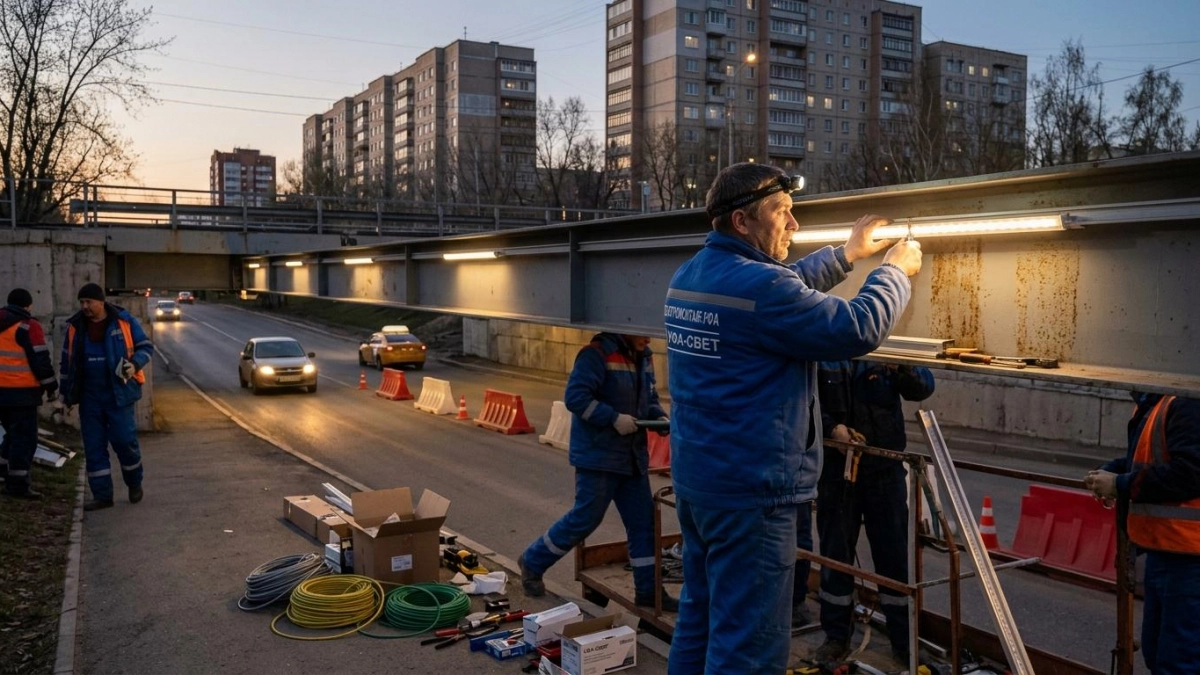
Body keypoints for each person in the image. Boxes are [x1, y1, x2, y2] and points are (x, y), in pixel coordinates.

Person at [663, 162, 923, 675]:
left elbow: (774, 292)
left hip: (702, 486)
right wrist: (893, 271)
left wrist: (846, 256)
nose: (795, 225)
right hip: (753, 495)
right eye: (782, 213)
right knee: (750, 648)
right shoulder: (759, 288)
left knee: (702, 618)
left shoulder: (693, 274)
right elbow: (856, 328)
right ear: (742, 221)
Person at [517, 332, 679, 612]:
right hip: (599, 456)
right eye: (642, 334)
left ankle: (649, 592)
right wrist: (612, 418)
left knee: (644, 524)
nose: (649, 341)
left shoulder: (644, 357)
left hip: (631, 458)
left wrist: (659, 418)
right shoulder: (596, 354)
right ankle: (532, 561)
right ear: (625, 329)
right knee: (585, 518)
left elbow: (647, 398)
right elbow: (576, 398)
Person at [810, 360, 934, 666]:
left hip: (884, 471)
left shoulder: (886, 344)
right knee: (835, 558)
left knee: (892, 558)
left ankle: (904, 641)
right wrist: (832, 430)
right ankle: (836, 637)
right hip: (837, 472)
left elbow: (923, 387)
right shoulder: (823, 348)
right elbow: (805, 401)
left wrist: (903, 369)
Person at [1085, 393, 1200, 674]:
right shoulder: (1157, 401)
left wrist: (1121, 485)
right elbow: (1151, 458)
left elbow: (1191, 472)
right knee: (1159, 653)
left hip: (1190, 557)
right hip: (1168, 550)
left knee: (1178, 661)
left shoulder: (1186, 401)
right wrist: (1113, 471)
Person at [60, 283, 154, 511]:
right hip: (90, 396)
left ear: (100, 302)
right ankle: (102, 495)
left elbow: (145, 347)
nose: (84, 307)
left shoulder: (123, 321)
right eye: (82, 303)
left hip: (118, 395)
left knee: (124, 441)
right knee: (94, 446)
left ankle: (134, 482)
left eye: (88, 302)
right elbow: (67, 363)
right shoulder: (75, 328)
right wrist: (67, 396)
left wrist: (134, 365)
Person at [0, 288, 58, 499]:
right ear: (28, 306)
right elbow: (40, 360)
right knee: (24, 439)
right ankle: (18, 485)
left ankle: (3, 472)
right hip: (22, 394)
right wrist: (51, 385)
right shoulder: (28, 326)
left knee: (12, 434)